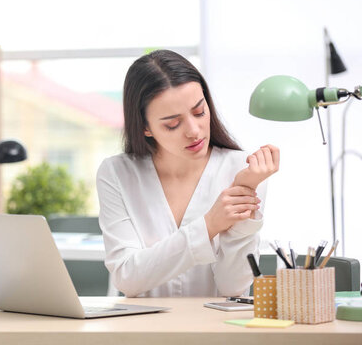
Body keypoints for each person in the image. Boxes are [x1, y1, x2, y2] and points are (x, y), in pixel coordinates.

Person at [97, 50, 279, 298]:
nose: (194, 131)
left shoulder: (243, 170)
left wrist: (243, 198)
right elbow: (127, 277)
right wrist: (209, 224)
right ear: (145, 128)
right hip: (144, 333)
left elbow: (232, 288)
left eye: (199, 112)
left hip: (215, 332)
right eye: (172, 124)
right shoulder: (116, 173)